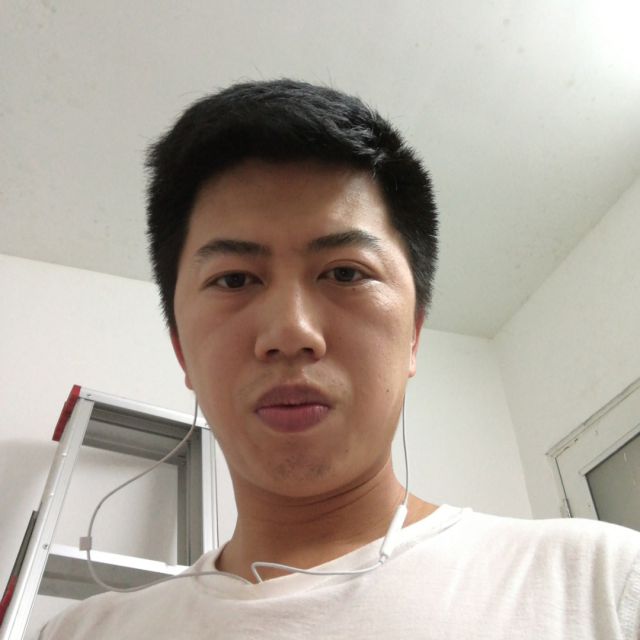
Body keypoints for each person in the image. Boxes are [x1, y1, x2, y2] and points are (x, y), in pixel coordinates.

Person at [41, 79, 639, 639]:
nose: (290, 333)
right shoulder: (81, 633)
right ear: (181, 350)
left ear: (413, 335)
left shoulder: (599, 584)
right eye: (234, 279)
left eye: (346, 273)